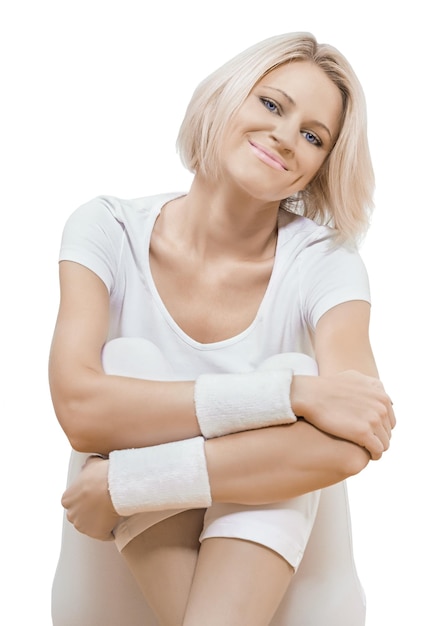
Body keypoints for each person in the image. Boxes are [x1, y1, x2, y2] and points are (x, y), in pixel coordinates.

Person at [50, 32, 395, 626]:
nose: (286, 138)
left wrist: (128, 485)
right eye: (271, 105)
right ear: (224, 100)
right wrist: (291, 399)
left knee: (297, 365)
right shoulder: (107, 229)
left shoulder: (326, 263)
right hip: (114, 592)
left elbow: (357, 433)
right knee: (130, 358)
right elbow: (81, 407)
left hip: (294, 599)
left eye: (314, 136)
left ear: (320, 167)